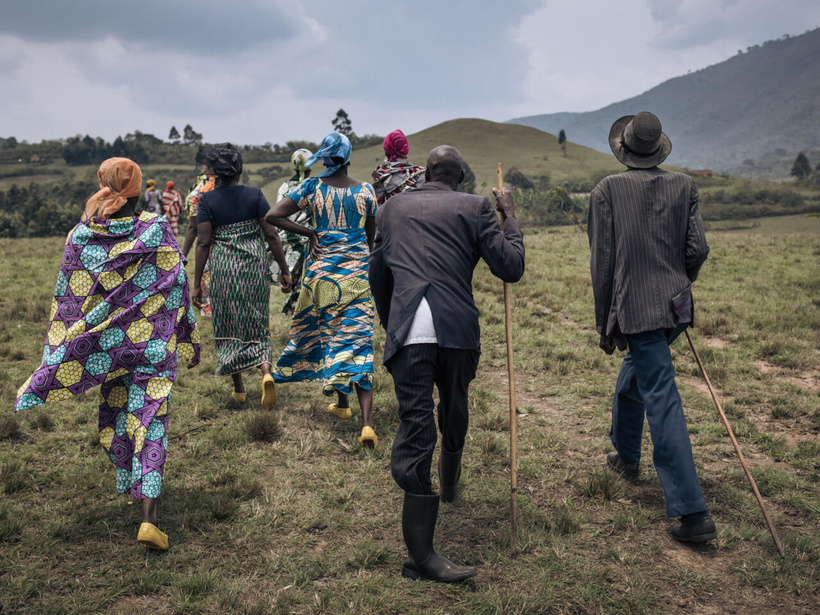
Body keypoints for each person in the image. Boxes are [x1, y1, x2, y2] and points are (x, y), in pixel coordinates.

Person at [14, 157, 200, 551]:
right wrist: (186, 332)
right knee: (150, 419)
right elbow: (177, 279)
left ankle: (132, 478)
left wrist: (65, 345)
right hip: (152, 344)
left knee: (116, 409)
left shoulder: (80, 237)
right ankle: (149, 517)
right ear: (136, 190)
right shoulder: (156, 228)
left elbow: (70, 296)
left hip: (106, 348)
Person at [369, 145, 525, 582]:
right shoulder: (477, 207)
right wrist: (508, 217)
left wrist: (392, 322)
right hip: (456, 331)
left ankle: (431, 526)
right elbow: (510, 267)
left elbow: (377, 273)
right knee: (454, 408)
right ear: (460, 176)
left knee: (416, 428)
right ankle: (424, 553)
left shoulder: (391, 208)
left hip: (410, 333)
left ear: (425, 174)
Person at [588, 111, 715, 543]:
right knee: (636, 375)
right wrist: (678, 284)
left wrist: (605, 320)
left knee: (662, 397)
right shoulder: (685, 185)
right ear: (658, 149)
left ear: (624, 150)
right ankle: (626, 455)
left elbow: (602, 264)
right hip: (675, 308)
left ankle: (692, 512)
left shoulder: (606, 191)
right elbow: (698, 249)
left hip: (637, 309)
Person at [266, 132, 378, 447]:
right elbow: (372, 240)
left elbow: (273, 216)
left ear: (324, 160)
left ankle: (342, 406)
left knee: (332, 338)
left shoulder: (312, 187)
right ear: (350, 158)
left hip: (323, 280)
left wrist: (310, 232)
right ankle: (366, 424)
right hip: (356, 278)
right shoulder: (367, 192)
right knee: (357, 342)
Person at [194, 143, 291, 407]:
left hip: (224, 270)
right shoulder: (255, 195)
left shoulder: (207, 200)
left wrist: (196, 284)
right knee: (256, 321)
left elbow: (203, 243)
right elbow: (271, 234)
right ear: (239, 169)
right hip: (253, 267)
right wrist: (284, 270)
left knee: (228, 324)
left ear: (215, 173)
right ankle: (266, 372)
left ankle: (239, 389)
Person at [271, 148, 313, 315]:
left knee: (295, 279)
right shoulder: (313, 186)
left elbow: (278, 212)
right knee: (304, 280)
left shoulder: (284, 187)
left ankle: (292, 311)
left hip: (287, 239)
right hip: (307, 239)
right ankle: (293, 310)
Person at [182, 146, 216, 317]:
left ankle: (210, 310)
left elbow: (192, 227)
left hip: (207, 246)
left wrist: (183, 255)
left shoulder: (198, 191)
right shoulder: (227, 185)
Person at [371, 129, 425, 205]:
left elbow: (376, 207)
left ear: (387, 152)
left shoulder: (381, 177)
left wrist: (375, 179)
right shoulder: (422, 174)